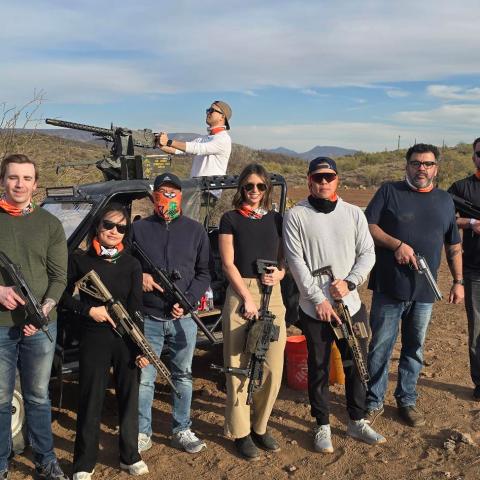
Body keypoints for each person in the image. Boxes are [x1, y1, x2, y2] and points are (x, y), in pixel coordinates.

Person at [283, 157, 385, 454]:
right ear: (309, 180)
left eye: (329, 177)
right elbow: (296, 262)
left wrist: (350, 282)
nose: (323, 182)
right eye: (318, 178)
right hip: (315, 311)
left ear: (337, 180)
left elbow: (367, 253)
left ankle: (357, 419)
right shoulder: (296, 215)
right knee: (318, 366)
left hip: (350, 307)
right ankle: (322, 424)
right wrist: (318, 300)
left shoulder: (354, 214)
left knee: (356, 363)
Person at [365, 143, 464, 428]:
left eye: (428, 164)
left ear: (436, 168)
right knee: (381, 346)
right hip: (389, 287)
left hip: (424, 291)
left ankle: (406, 400)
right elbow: (368, 226)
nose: (422, 168)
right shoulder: (388, 191)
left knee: (414, 347)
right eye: (416, 163)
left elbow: (453, 244)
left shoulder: (445, 200)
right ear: (407, 166)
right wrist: (397, 244)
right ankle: (374, 401)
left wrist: (457, 281)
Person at [61, 204, 149, 480]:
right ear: (98, 227)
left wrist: (140, 347)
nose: (113, 231)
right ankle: (84, 463)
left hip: (125, 338)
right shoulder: (80, 260)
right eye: (108, 225)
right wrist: (88, 310)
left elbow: (136, 309)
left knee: (129, 396)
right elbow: (61, 297)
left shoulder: (132, 264)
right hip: (94, 336)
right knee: (91, 399)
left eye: (121, 227)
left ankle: (130, 456)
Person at [0, 154, 68, 480]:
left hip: (40, 325)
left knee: (38, 396)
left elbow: (59, 276)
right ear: (3, 181)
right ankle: (1, 462)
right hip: (0, 327)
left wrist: (46, 308)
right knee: (0, 399)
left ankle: (45, 460)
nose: (20, 184)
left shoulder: (50, 224)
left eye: (27, 178)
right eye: (13, 177)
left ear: (36, 184)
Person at [134, 172, 210, 455]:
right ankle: (143, 432)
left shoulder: (195, 230)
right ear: (154, 196)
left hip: (184, 318)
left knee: (183, 375)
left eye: (173, 192)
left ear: (181, 196)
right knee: (145, 377)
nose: (167, 198)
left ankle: (182, 428)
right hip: (149, 316)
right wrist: (138, 276)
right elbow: (125, 264)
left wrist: (188, 300)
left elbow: (204, 273)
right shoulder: (139, 230)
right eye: (162, 192)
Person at [218, 163, 287, 461]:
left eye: (260, 186)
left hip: (273, 294)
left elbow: (285, 259)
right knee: (239, 364)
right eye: (249, 186)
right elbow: (228, 263)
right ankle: (241, 432)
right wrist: (246, 297)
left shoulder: (277, 219)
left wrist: (280, 274)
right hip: (241, 292)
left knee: (272, 365)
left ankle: (260, 426)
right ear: (241, 189)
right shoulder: (230, 218)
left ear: (267, 189)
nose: (254, 191)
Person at [448, 137, 480, 400]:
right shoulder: (461, 188)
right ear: (473, 157)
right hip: (474, 270)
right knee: (477, 329)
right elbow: (445, 218)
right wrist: (470, 222)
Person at [157, 100, 232, 179]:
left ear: (222, 116)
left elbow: (197, 148)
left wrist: (169, 141)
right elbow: (177, 151)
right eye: (207, 110)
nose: (207, 113)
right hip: (196, 187)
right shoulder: (203, 139)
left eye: (211, 110)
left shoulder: (223, 139)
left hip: (211, 190)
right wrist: (159, 144)